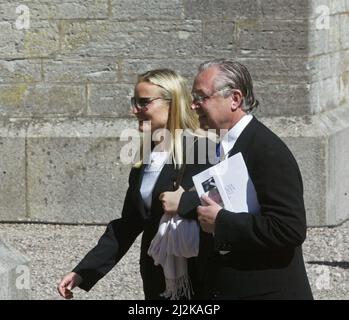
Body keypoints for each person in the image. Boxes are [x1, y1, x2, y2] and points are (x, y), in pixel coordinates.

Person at [57, 69, 206, 300]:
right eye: (134, 101)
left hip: (199, 280)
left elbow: (225, 207)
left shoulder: (201, 149)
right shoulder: (147, 156)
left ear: (173, 103)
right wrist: (83, 272)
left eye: (143, 102)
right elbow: (129, 224)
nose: (134, 110)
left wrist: (185, 202)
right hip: (157, 281)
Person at [190, 59, 313, 299]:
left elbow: (290, 229)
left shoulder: (267, 150)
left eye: (201, 97)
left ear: (234, 99)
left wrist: (221, 222)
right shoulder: (219, 147)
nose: (194, 106)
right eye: (193, 98)